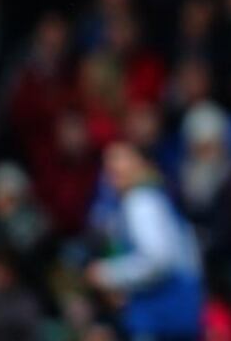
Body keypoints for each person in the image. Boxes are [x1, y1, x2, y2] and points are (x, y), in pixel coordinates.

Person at [84, 141, 204, 341]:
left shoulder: (140, 202)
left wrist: (108, 274)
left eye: (120, 159)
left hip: (162, 318)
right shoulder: (155, 198)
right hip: (176, 315)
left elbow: (157, 261)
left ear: (140, 164)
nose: (112, 167)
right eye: (108, 163)